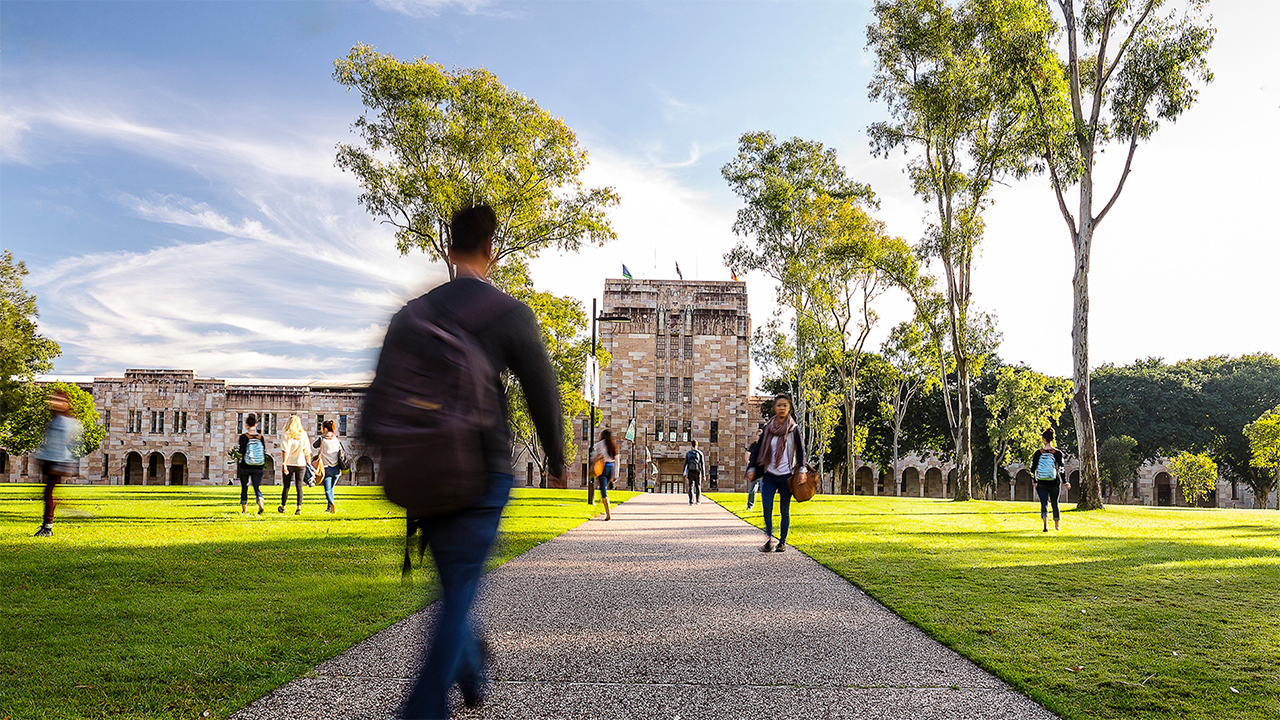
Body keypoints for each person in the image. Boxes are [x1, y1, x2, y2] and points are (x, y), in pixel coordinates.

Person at [399, 203, 566, 720]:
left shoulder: (414, 314)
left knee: (456, 582)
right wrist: (558, 457)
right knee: (460, 588)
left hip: (426, 472)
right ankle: (424, 709)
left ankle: (471, 666)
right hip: (484, 470)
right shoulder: (508, 313)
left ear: (449, 250)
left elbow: (385, 397)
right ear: (491, 252)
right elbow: (543, 390)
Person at [747, 393, 806, 553]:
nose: (782, 408)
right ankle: (768, 539)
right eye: (779, 405)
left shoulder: (794, 429)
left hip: (786, 475)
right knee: (767, 506)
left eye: (785, 405)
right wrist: (752, 468)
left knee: (784, 510)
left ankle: (782, 541)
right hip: (769, 474)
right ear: (775, 407)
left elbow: (800, 451)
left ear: (789, 408)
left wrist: (802, 469)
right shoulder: (767, 428)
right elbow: (758, 450)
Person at [32, 389, 83, 537]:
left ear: (66, 404)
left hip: (57, 461)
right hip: (49, 459)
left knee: (48, 493)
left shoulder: (67, 421)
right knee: (48, 494)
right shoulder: (55, 419)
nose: (54, 403)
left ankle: (47, 527)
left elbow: (68, 443)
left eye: (58, 400)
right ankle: (48, 523)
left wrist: (62, 464)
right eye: (53, 399)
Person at [1029, 428, 1069, 532]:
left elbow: (1032, 468)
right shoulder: (1057, 453)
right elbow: (1061, 468)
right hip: (1054, 482)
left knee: (1044, 503)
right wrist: (1065, 482)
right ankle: (1057, 524)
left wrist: (1034, 481)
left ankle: (1046, 525)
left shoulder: (1038, 453)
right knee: (1055, 503)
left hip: (1041, 481)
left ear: (1044, 439)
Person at [278, 415, 311, 515]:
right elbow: (307, 451)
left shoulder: (286, 434)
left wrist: (284, 463)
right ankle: (298, 508)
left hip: (289, 463)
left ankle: (283, 507)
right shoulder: (303, 435)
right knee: (299, 486)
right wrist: (309, 464)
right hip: (301, 464)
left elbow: (285, 450)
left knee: (286, 486)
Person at [238, 414, 268, 514]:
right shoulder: (260, 437)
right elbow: (263, 450)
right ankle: (260, 503)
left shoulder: (243, 437)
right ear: (256, 425)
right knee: (256, 486)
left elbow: (241, 450)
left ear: (246, 425)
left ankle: (244, 509)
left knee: (244, 487)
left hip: (245, 465)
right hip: (258, 466)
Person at [313, 420, 344, 513]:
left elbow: (314, 445)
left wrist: (321, 438)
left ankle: (331, 503)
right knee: (331, 489)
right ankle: (329, 507)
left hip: (326, 468)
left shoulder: (322, 439)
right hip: (336, 468)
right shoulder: (337, 439)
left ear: (325, 429)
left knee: (327, 489)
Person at [593, 429, 618, 521]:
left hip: (603, 467)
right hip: (610, 467)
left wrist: (596, 459)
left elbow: (593, 450)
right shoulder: (613, 445)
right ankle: (605, 508)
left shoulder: (600, 444)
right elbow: (617, 460)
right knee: (603, 488)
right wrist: (616, 474)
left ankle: (608, 514)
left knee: (603, 490)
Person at [744, 426, 763, 511]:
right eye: (759, 435)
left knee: (765, 489)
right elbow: (747, 455)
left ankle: (766, 507)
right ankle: (750, 506)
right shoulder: (753, 445)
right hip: (754, 470)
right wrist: (749, 463)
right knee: (752, 489)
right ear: (756, 436)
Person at [683, 439, 706, 505]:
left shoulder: (688, 453)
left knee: (691, 486)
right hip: (697, 471)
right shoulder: (700, 453)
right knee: (698, 486)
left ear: (691, 445)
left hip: (690, 471)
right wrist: (703, 475)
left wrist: (684, 471)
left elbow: (685, 463)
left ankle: (691, 501)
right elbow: (702, 464)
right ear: (697, 445)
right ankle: (698, 501)